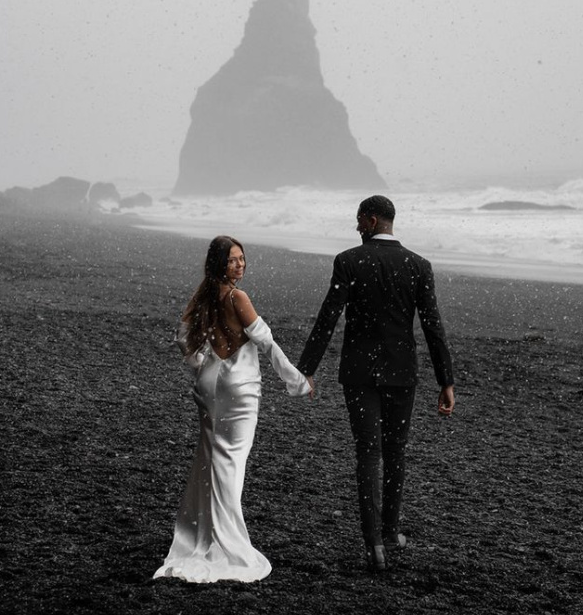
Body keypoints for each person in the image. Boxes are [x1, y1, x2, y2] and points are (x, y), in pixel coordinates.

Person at [296, 195, 455, 573]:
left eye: (358, 221)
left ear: (370, 221)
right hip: (402, 373)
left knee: (368, 453)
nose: (356, 228)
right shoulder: (418, 265)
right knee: (396, 451)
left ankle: (373, 546)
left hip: (359, 373)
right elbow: (433, 326)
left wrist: (307, 368)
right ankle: (390, 531)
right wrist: (445, 380)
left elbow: (328, 318)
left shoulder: (349, 261)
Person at [154, 235, 314, 584]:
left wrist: (200, 363)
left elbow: (183, 335)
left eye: (242, 258)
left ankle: (202, 535)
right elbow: (266, 343)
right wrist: (297, 380)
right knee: (231, 465)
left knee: (212, 461)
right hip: (238, 387)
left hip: (210, 382)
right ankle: (227, 543)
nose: (239, 265)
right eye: (232, 260)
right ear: (219, 264)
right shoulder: (236, 297)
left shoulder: (205, 294)